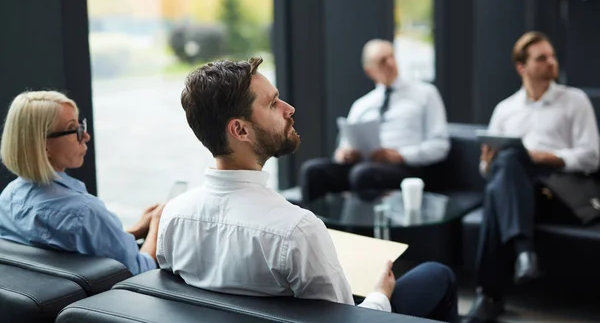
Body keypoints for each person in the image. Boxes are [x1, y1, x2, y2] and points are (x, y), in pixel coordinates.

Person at [157, 58, 459, 322]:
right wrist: (381, 294)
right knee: (437, 275)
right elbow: (344, 320)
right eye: (272, 104)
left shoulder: (173, 217)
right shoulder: (296, 230)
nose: (289, 109)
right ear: (240, 130)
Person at [465, 31, 600, 322]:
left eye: (552, 55)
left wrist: (541, 156)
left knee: (506, 172)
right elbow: (488, 171)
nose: (551, 62)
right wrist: (488, 163)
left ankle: (489, 295)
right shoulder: (506, 109)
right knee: (506, 167)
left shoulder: (575, 101)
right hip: (519, 190)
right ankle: (523, 255)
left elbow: (592, 156)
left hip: (559, 190)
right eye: (542, 58)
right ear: (521, 67)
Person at [0, 90, 164, 275]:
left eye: (81, 125)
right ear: (44, 146)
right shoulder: (84, 213)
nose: (85, 136)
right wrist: (158, 224)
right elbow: (139, 270)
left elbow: (70, 245)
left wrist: (135, 229)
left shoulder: (8, 198)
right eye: (73, 129)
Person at [299, 39, 450, 202]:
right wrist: (344, 154)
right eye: (382, 61)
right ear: (370, 71)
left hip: (405, 167)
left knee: (364, 174)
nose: (390, 63)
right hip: (364, 165)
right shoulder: (362, 104)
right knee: (312, 171)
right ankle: (315, 227)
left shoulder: (426, 94)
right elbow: (344, 144)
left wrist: (400, 156)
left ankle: (362, 228)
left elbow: (440, 145)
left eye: (391, 56)